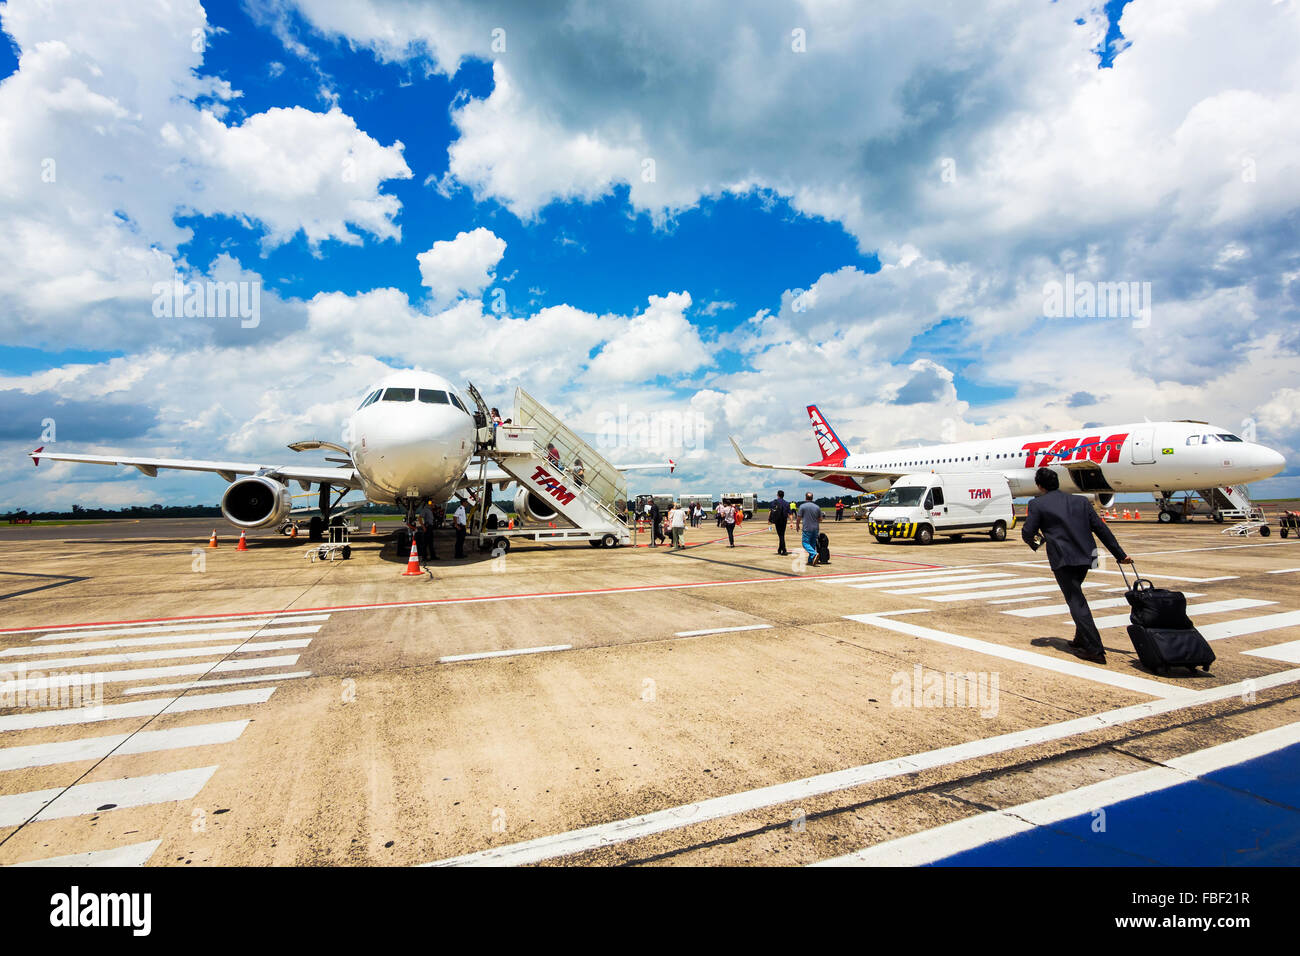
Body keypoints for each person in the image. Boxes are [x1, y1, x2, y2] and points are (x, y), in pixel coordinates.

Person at [1021, 466, 1131, 664]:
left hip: (1064, 559)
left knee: (1075, 601)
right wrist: (1120, 554)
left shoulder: (1038, 504)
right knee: (1076, 593)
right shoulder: (1080, 501)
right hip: (1089, 556)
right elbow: (1100, 528)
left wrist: (1038, 543)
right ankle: (1080, 638)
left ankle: (1094, 649)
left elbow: (1028, 531)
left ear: (1039, 486)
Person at [797, 493, 822, 565]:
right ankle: (810, 560)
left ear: (806, 498)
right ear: (812, 498)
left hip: (807, 528)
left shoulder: (802, 506)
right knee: (812, 544)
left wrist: (797, 525)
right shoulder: (817, 507)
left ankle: (814, 554)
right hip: (815, 528)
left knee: (805, 543)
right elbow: (820, 519)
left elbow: (799, 517)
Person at [769, 490, 791, 555]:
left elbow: (771, 511)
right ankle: (781, 549)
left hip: (777, 520)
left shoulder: (774, 502)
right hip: (784, 520)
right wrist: (791, 522)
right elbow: (790, 513)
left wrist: (769, 520)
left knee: (780, 535)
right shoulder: (786, 503)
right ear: (783, 495)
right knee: (782, 534)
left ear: (777, 495)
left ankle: (783, 549)